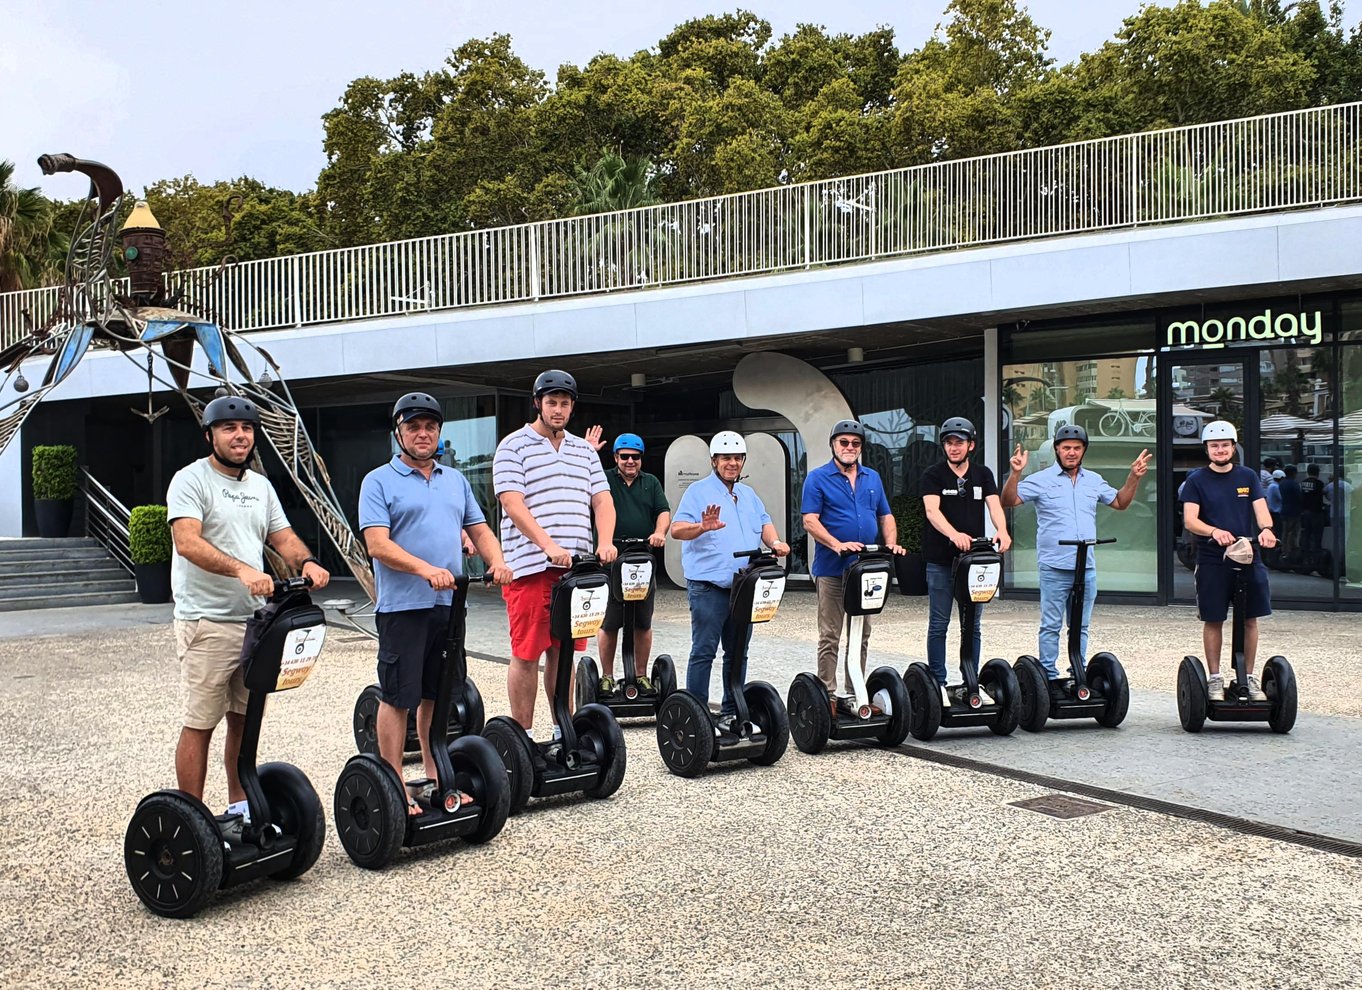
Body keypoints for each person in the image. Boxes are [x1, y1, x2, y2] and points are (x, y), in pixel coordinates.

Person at [166, 394, 330, 823]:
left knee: (244, 718)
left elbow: (284, 538)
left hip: (254, 624)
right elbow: (187, 542)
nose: (240, 436)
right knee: (201, 722)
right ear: (210, 435)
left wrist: (307, 561)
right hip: (207, 622)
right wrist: (241, 570)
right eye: (229, 429)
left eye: (246, 429)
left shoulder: (260, 486)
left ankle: (240, 808)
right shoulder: (191, 480)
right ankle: (194, 822)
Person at [359, 392, 513, 814]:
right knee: (398, 696)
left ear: (439, 432)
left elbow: (479, 529)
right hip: (403, 608)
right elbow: (377, 543)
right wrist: (425, 569)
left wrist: (497, 560)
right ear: (399, 432)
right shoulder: (378, 482)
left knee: (437, 695)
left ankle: (433, 775)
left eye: (430, 426)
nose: (422, 434)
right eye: (413, 427)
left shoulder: (455, 480)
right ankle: (392, 785)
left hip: (448, 606)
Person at [493, 370, 617, 749]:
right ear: (538, 404)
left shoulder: (583, 451)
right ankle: (523, 737)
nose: (558, 409)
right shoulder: (513, 446)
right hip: (531, 567)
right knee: (527, 652)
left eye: (565, 403)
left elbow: (602, 500)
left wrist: (606, 542)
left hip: (575, 571)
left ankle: (564, 730)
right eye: (552, 402)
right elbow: (512, 503)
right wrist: (547, 545)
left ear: (572, 406)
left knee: (565, 655)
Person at [1000, 426, 1151, 682]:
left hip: (1086, 567)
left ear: (1083, 451)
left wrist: (1133, 477)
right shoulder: (1041, 479)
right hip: (1053, 566)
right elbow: (1008, 500)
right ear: (1057, 449)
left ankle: (1076, 673)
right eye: (1066, 447)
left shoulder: (1093, 480)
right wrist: (1015, 474)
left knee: (1080, 626)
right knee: (1051, 625)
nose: (1071, 452)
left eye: (1077, 448)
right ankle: (1047, 676)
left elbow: (1120, 503)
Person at [670, 431, 790, 728]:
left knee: (737, 652)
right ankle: (695, 717)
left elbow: (764, 522)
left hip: (743, 587)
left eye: (737, 458)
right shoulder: (697, 492)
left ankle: (730, 710)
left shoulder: (747, 494)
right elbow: (677, 529)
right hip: (709, 588)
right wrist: (702, 526)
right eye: (726, 458)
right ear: (714, 461)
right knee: (704, 651)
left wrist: (775, 542)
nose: (732, 463)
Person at [800, 419, 903, 713]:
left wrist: (891, 543)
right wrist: (836, 544)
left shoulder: (872, 478)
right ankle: (827, 696)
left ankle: (854, 692)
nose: (849, 448)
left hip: (866, 569)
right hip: (832, 569)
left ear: (861, 448)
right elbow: (810, 520)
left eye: (855, 444)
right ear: (833, 444)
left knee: (861, 634)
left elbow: (885, 515)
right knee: (830, 634)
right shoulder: (818, 478)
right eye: (844, 442)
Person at [1180, 421, 1278, 702]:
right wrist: (1214, 531)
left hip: (1248, 555)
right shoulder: (1197, 480)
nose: (1220, 450)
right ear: (1207, 449)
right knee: (1214, 619)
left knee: (1250, 619)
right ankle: (1214, 679)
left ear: (1233, 448)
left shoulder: (1247, 476)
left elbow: (1262, 512)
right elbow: (1190, 520)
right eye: (1214, 446)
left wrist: (1267, 530)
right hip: (1213, 558)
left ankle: (1247, 676)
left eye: (1225, 445)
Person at [920, 417, 1011, 703]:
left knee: (972, 623)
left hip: (973, 562)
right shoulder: (933, 475)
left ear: (970, 445)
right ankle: (937, 682)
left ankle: (970, 679)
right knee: (939, 623)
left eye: (959, 442)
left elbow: (994, 505)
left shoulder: (982, 474)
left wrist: (1003, 530)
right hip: (941, 561)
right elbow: (932, 512)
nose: (953, 447)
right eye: (948, 442)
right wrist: (954, 534)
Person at [595, 432, 670, 694]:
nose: (630, 461)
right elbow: (583, 486)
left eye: (635, 457)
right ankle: (606, 676)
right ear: (615, 457)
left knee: (642, 621)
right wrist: (589, 452)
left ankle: (640, 675)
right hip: (610, 561)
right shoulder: (603, 478)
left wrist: (659, 532)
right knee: (610, 622)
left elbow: (662, 511)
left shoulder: (650, 482)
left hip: (641, 560)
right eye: (624, 456)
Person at [1300, 463, 1326, 556]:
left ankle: (1305, 554)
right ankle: (1316, 555)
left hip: (1305, 511)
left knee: (1307, 533)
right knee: (1317, 535)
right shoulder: (1319, 484)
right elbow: (1324, 496)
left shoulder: (1303, 483)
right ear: (1318, 472)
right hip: (1316, 512)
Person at [1277, 465, 1303, 558]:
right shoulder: (1294, 484)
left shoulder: (1282, 483)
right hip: (1294, 511)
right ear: (1294, 473)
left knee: (1285, 531)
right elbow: (1299, 497)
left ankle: (1284, 550)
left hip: (1284, 509)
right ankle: (1291, 551)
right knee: (1293, 532)